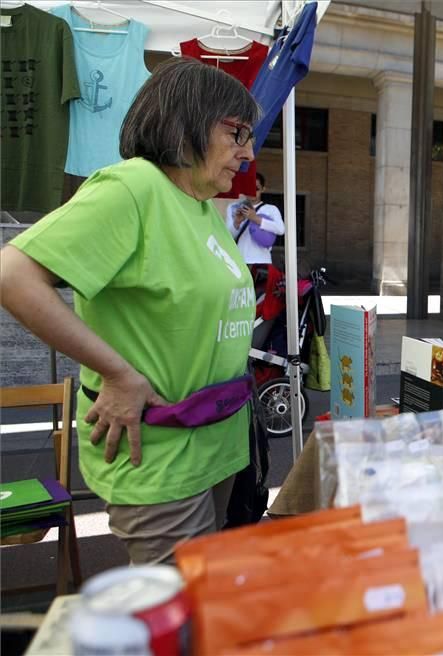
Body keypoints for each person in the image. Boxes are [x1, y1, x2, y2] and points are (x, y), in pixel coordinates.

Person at [0, 58, 260, 563]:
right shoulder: (132, 188)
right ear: (189, 117)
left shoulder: (201, 204)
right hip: (161, 461)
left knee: (206, 606)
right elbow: (13, 276)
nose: (247, 153)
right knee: (181, 624)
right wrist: (117, 374)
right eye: (238, 132)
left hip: (215, 448)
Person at [225, 171, 285, 274]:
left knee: (261, 290)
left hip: (262, 261)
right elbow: (228, 236)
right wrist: (236, 223)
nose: (252, 192)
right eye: (249, 188)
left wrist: (255, 218)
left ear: (263, 189)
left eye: (256, 188)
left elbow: (281, 229)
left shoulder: (270, 209)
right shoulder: (233, 208)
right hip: (240, 260)